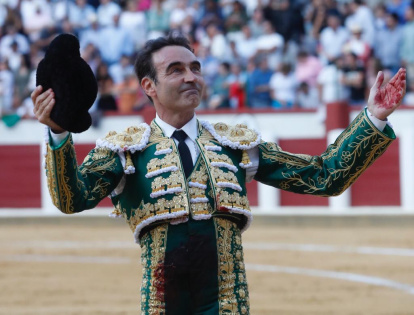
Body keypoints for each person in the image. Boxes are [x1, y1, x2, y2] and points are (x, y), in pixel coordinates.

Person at [31, 33, 406, 314]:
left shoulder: (235, 144)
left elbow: (324, 176)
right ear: (149, 87)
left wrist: (373, 117)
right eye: (175, 70)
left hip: (226, 303)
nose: (191, 77)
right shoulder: (124, 149)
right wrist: (59, 133)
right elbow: (70, 199)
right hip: (162, 305)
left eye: (195, 67)